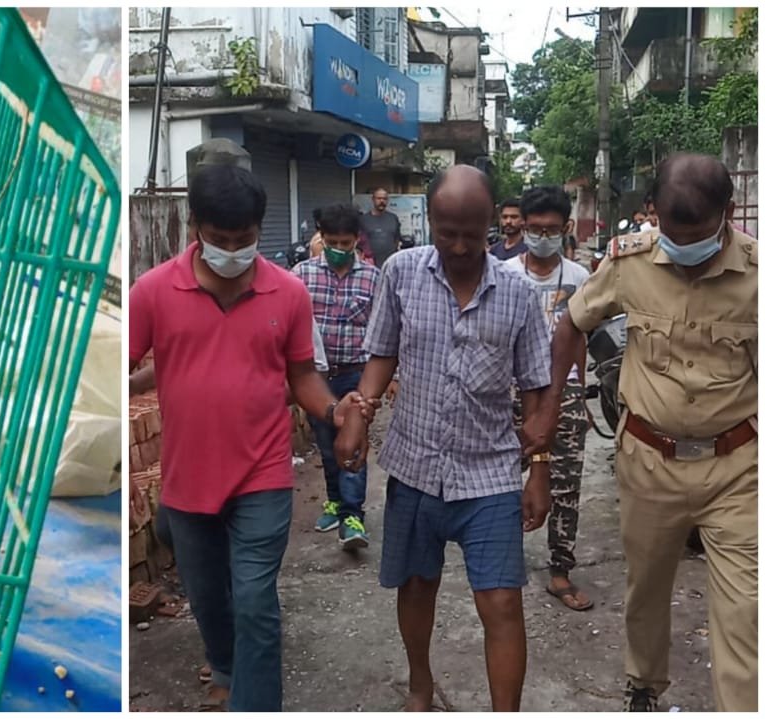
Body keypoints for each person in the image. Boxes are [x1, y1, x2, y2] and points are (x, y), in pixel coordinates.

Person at [128, 163, 373, 712]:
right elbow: (121, 367)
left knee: (257, 601)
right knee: (209, 596)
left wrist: (336, 411)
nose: (233, 251)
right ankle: (224, 665)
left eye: (245, 240)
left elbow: (302, 375)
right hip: (188, 476)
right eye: (220, 240)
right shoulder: (153, 292)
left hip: (262, 473)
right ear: (195, 225)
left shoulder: (286, 293)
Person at [529, 153, 757, 712]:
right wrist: (553, 403)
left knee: (746, 609)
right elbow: (572, 325)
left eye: (698, 236)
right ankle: (645, 686)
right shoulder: (629, 261)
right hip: (648, 462)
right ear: (654, 212)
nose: (683, 251)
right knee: (646, 589)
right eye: (674, 236)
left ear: (727, 213)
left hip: (737, 469)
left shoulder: (757, 275)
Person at [335, 165, 553, 712]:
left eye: (472, 234)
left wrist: (541, 469)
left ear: (494, 228)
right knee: (415, 586)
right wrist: (361, 411)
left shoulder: (520, 294)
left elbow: (535, 386)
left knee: (502, 602)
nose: (458, 246)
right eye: (446, 231)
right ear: (428, 220)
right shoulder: (401, 272)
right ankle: (420, 685)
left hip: (490, 475)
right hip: (414, 466)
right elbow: (381, 352)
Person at [505, 186, 594, 612]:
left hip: (565, 391)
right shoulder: (502, 273)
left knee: (565, 484)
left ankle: (560, 568)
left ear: (566, 229)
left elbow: (593, 338)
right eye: (535, 228)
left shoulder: (580, 280)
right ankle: (502, 557)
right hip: (509, 389)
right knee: (501, 478)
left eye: (552, 230)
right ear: (522, 226)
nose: (542, 236)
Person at [291, 203, 380, 547]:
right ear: (320, 237)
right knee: (327, 446)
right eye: (333, 242)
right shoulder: (301, 276)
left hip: (357, 374)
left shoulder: (373, 277)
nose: (340, 250)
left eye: (346, 243)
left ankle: (353, 515)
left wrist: (391, 376)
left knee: (352, 442)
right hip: (316, 378)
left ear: (357, 240)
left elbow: (382, 328)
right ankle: (335, 500)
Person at [359, 187, 403, 268]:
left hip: (390, 265)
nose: (382, 201)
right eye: (379, 198)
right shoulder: (363, 220)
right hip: (370, 266)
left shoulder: (393, 218)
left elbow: (397, 240)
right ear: (373, 199)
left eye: (385, 199)